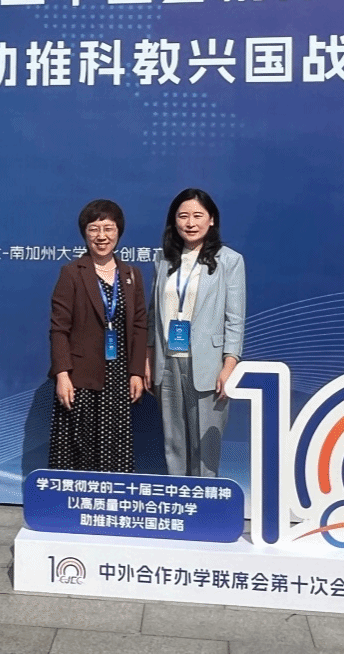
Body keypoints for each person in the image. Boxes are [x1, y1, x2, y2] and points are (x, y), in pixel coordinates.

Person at [147, 188, 245, 477]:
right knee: (173, 442)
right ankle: (179, 496)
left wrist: (229, 365)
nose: (190, 223)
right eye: (183, 216)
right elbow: (153, 314)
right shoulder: (163, 259)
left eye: (197, 216)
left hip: (208, 364)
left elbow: (234, 319)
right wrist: (149, 357)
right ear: (174, 221)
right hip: (168, 362)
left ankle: (205, 497)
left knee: (206, 445)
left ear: (211, 219)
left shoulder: (230, 261)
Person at [48, 199, 148, 472]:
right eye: (94, 229)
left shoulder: (132, 275)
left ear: (118, 232)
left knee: (114, 452)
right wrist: (62, 375)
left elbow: (140, 326)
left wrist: (136, 372)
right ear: (85, 233)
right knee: (79, 452)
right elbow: (59, 328)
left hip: (119, 378)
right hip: (80, 378)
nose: (101, 236)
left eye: (108, 228)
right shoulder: (72, 273)